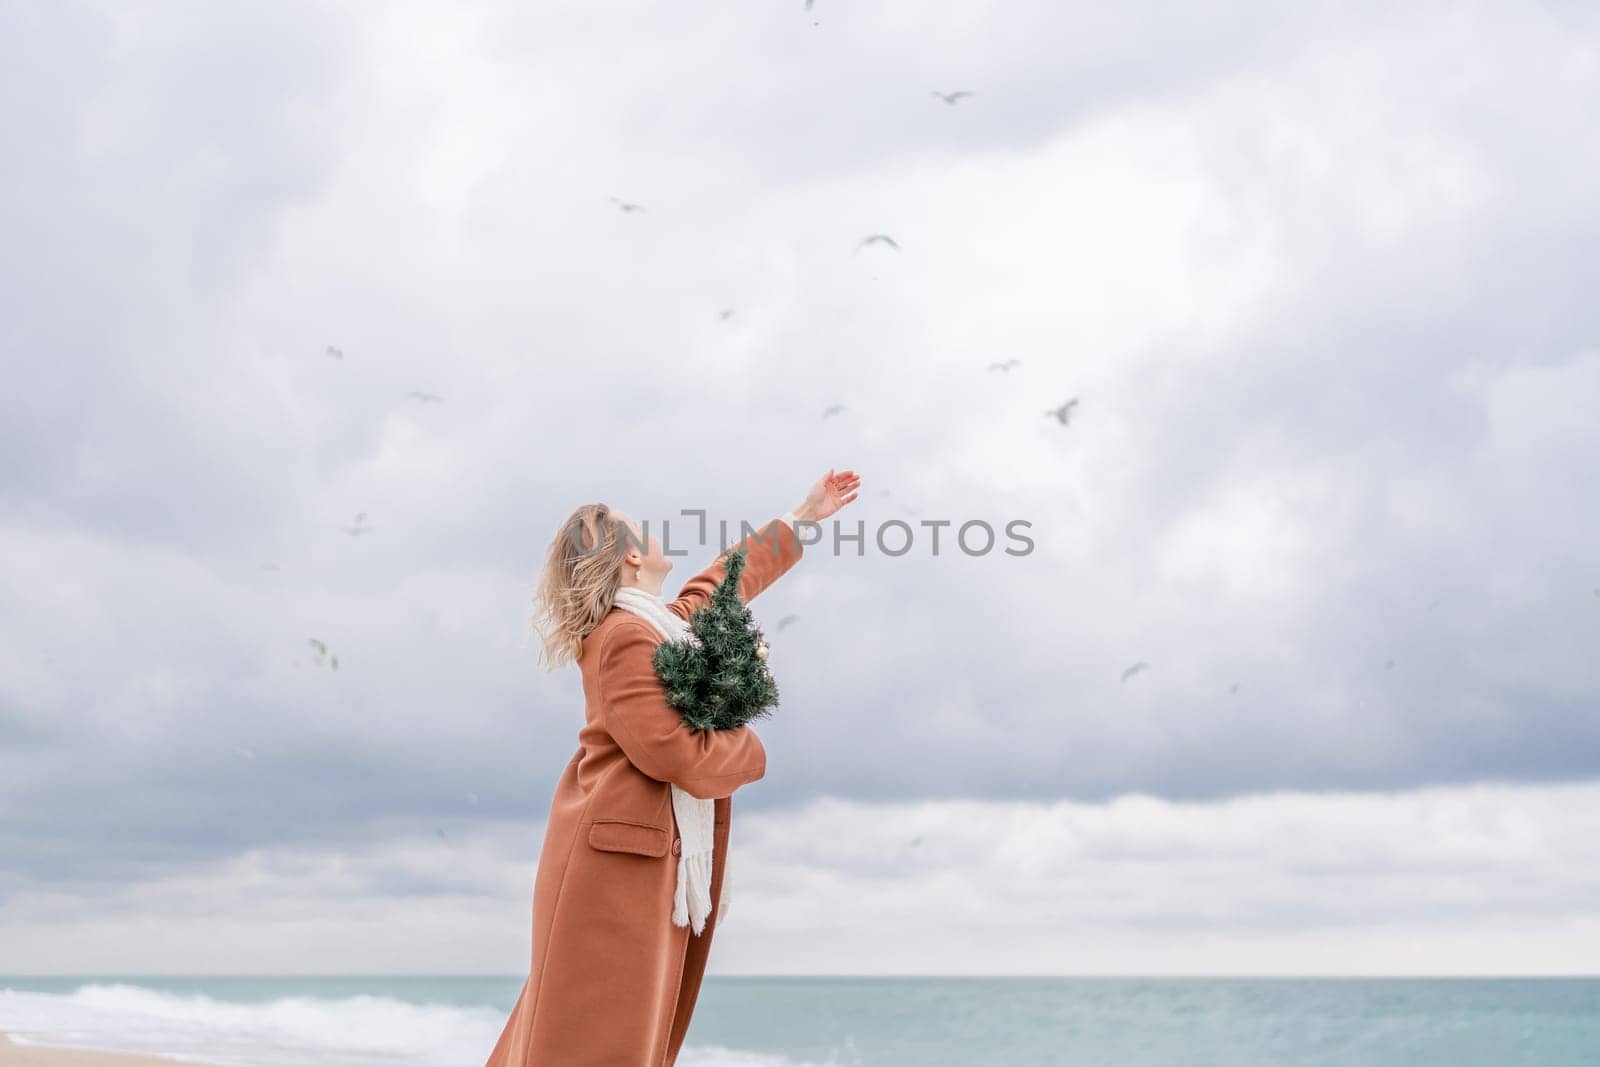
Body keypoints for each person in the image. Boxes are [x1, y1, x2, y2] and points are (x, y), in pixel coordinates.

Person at [483, 468, 861, 1067]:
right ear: (631, 556)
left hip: (642, 859)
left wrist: (801, 516)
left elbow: (718, 589)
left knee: (616, 1030)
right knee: (595, 1034)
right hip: (615, 866)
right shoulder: (621, 636)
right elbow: (671, 751)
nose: (657, 536)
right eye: (645, 531)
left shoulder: (655, 625)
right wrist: (750, 749)